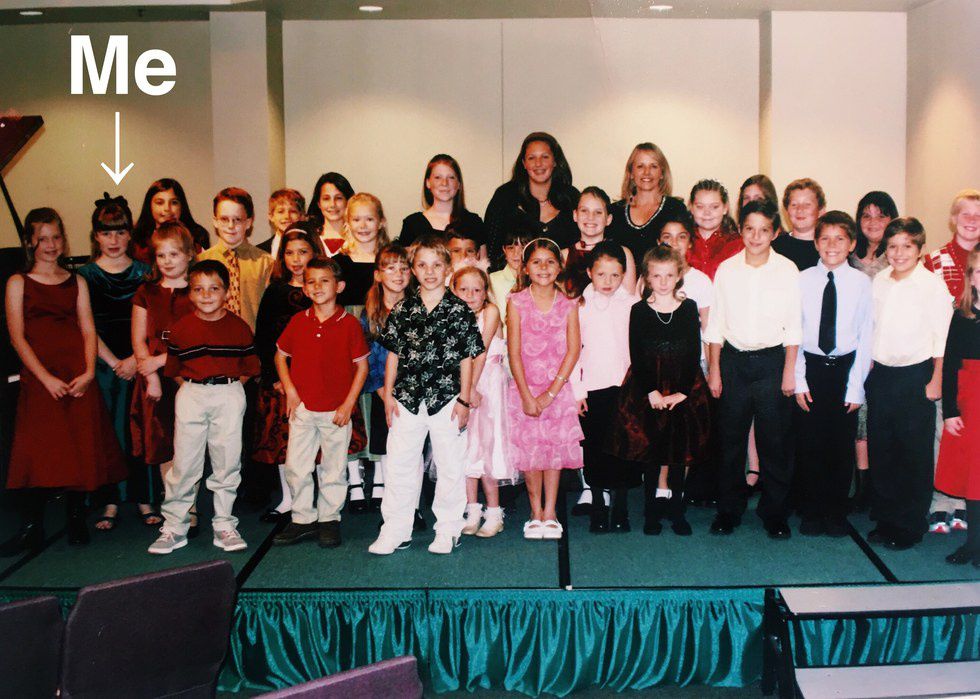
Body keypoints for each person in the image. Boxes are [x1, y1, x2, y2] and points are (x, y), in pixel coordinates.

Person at [1, 208, 125, 555]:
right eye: (43, 239)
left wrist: (88, 373)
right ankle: (32, 527)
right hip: (42, 377)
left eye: (56, 237)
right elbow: (17, 338)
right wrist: (45, 379)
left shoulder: (76, 281)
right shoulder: (18, 282)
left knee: (78, 448)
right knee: (37, 451)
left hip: (77, 375)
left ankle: (75, 518)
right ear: (30, 242)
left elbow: (88, 329)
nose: (51, 245)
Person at [368, 235, 484, 555]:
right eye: (422, 265)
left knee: (449, 465)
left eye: (436, 265)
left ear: (447, 269)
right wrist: (388, 396)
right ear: (414, 270)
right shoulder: (403, 309)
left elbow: (467, 358)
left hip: (447, 398)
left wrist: (464, 400)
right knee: (400, 464)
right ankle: (396, 529)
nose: (430, 272)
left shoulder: (459, 310)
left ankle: (448, 528)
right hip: (406, 397)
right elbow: (392, 354)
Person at [148, 260, 261, 554]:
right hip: (192, 394)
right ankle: (175, 526)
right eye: (198, 289)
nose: (206, 295)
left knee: (227, 461)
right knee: (184, 463)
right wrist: (193, 388)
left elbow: (250, 367)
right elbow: (174, 369)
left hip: (229, 393)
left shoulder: (239, 327)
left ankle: (224, 524)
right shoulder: (181, 329)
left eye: (214, 289)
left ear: (227, 292)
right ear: (190, 293)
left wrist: (230, 388)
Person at [705, 199, 802, 539]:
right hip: (733, 362)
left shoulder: (787, 270)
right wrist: (714, 370)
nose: (756, 236)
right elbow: (715, 324)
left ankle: (775, 512)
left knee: (774, 441)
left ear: (774, 233)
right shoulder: (727, 270)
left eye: (764, 230)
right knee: (730, 440)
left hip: (772, 362)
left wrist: (789, 371)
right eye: (749, 229)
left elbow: (794, 325)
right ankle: (728, 509)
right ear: (741, 230)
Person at [609, 245, 711, 535]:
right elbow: (637, 355)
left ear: (678, 276)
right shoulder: (640, 311)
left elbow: (693, 353)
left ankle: (678, 510)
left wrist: (683, 392)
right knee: (652, 453)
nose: (663, 281)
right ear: (647, 277)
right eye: (657, 275)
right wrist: (651, 391)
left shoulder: (688, 308)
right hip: (648, 388)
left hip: (682, 388)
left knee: (679, 453)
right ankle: (651, 511)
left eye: (669, 275)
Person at [867, 218, 954, 550]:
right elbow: (873, 327)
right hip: (882, 375)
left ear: (919, 249)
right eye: (892, 246)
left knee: (913, 453)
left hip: (916, 376)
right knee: (883, 449)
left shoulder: (931, 285)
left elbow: (942, 338)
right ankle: (886, 517)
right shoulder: (879, 281)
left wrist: (936, 379)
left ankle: (910, 523)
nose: (899, 253)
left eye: (907, 246)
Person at [271, 257, 370, 548]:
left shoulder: (349, 324)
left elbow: (362, 367)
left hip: (336, 411)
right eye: (311, 282)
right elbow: (280, 357)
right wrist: (291, 392)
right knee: (296, 466)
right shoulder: (298, 321)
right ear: (304, 288)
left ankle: (329, 519)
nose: (317, 286)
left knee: (333, 468)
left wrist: (348, 404)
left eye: (324, 281)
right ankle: (302, 519)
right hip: (303, 409)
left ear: (339, 286)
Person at [794, 211, 873, 537]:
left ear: (852, 244)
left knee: (840, 446)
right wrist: (798, 379)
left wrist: (856, 388)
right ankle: (812, 510)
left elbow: (866, 335)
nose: (832, 245)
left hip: (845, 370)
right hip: (811, 368)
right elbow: (795, 333)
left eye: (840, 239)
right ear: (815, 242)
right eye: (825, 238)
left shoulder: (861, 283)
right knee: (810, 443)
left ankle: (836, 511)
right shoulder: (802, 280)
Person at [77, 194, 152, 530]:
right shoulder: (85, 275)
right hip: (104, 362)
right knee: (109, 432)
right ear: (96, 236)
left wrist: (136, 359)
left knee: (141, 431)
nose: (114, 240)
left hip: (139, 359)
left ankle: (145, 497)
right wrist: (113, 361)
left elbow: (153, 321)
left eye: (120, 232)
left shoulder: (145, 272)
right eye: (106, 233)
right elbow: (86, 325)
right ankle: (110, 501)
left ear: (130, 234)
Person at [507, 238, 584, 540]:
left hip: (557, 390)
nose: (543, 267)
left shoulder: (568, 304)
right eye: (536, 262)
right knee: (531, 453)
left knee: (553, 453)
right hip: (524, 389)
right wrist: (527, 396)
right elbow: (514, 353)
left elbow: (573, 350)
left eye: (550, 261)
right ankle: (534, 511)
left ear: (559, 267)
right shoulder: (516, 302)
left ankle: (550, 512)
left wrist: (550, 394)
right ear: (525, 268)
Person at [129, 221, 197, 533]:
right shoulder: (146, 292)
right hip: (155, 381)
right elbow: (138, 339)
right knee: (163, 444)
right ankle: (174, 507)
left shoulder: (197, 291)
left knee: (188, 445)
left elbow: (200, 341)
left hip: (187, 376)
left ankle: (191, 508)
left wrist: (161, 361)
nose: (167, 261)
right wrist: (152, 376)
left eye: (174, 254)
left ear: (189, 254)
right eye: (161, 255)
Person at [570, 241, 638, 533]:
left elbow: (638, 350)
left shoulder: (632, 305)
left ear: (624, 274)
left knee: (624, 450)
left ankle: (621, 508)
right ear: (589, 273)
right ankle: (598, 506)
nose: (608, 281)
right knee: (595, 449)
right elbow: (573, 352)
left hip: (625, 388)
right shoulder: (580, 306)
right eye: (601, 274)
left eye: (615, 275)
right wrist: (578, 392)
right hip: (593, 388)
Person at [252, 228, 320, 522]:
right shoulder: (275, 292)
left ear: (314, 253)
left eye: (303, 252)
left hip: (317, 381)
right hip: (282, 381)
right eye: (290, 253)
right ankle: (288, 498)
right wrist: (275, 378)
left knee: (317, 443)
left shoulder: (321, 290)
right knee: (284, 442)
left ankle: (317, 498)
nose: (296, 259)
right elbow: (264, 338)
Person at [924, 189, 980, 534]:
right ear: (953, 219)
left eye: (978, 215)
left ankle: (967, 501)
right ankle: (942, 499)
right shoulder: (934, 261)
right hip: (945, 362)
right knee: (945, 432)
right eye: (965, 214)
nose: (972, 220)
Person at [335, 193, 390, 509]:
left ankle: (380, 475)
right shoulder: (340, 262)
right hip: (349, 334)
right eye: (356, 219)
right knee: (352, 404)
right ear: (347, 223)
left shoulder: (387, 259)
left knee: (378, 406)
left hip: (379, 331)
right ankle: (354, 477)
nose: (363, 225)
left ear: (380, 222)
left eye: (369, 218)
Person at [658, 211, 716, 505]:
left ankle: (682, 485)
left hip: (693, 364)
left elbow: (708, 328)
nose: (674, 243)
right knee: (661, 426)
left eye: (681, 237)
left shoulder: (700, 281)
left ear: (689, 243)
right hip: (660, 364)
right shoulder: (650, 278)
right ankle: (661, 483)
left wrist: (711, 368)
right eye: (667, 237)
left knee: (689, 427)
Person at [453, 266, 514, 538]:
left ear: (485, 291)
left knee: (489, 448)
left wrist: (470, 390)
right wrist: (463, 391)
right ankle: (472, 509)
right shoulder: (452, 315)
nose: (470, 295)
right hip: (464, 386)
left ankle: (494, 511)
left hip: (487, 385)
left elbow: (480, 351)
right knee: (467, 450)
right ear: (454, 291)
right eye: (464, 290)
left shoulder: (490, 312)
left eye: (477, 290)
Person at [848, 190, 898, 512]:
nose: (873, 221)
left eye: (881, 215)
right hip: (852, 350)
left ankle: (883, 488)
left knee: (880, 421)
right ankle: (863, 486)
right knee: (858, 420)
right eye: (866, 215)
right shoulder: (849, 257)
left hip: (885, 351)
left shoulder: (895, 259)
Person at [935, 246, 980, 566]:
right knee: (973, 478)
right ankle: (973, 544)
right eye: (979, 271)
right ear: (971, 277)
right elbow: (950, 366)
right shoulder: (962, 317)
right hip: (970, 404)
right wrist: (950, 411)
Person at [359, 244, 413, 512]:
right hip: (383, 390)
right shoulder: (370, 313)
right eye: (391, 268)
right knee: (387, 446)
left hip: (414, 390)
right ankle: (391, 505)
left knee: (412, 450)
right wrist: (383, 391)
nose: (398, 274)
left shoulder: (417, 307)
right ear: (378, 275)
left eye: (404, 268)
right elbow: (367, 356)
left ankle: (412, 505)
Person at [484, 132, 579, 269]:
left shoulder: (571, 198)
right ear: (524, 163)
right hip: (512, 280)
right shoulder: (505, 196)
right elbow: (491, 249)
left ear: (555, 161)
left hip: (562, 280)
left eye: (545, 157)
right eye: (531, 158)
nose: (538, 163)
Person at [607, 142, 688, 267]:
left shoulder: (675, 209)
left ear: (662, 173)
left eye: (653, 166)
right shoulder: (615, 211)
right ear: (631, 173)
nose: (647, 172)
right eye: (640, 166)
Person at [399, 154, 487, 259]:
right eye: (438, 177)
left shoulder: (474, 222)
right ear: (428, 183)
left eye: (451, 177)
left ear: (459, 184)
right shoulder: (412, 224)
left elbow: (483, 265)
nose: (444, 183)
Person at [561, 187, 636, 298]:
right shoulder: (563, 256)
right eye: (584, 211)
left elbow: (630, 299)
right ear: (575, 215)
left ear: (608, 219)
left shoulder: (623, 253)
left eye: (598, 212)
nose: (591, 217)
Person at [132, 178, 211, 263]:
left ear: (182, 206)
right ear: (149, 206)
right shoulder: (136, 239)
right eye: (160, 203)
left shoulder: (197, 237)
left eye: (174, 202)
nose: (167, 208)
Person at [686, 179, 743, 281]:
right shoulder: (682, 242)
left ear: (725, 208)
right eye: (700, 207)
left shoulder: (738, 244)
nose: (707, 213)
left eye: (714, 207)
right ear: (691, 208)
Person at [773, 178, 825, 271]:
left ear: (821, 211)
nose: (800, 209)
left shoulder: (828, 248)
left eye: (807, 204)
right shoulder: (774, 246)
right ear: (786, 210)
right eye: (794, 204)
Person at [305, 172, 355, 257]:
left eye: (338, 198)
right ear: (318, 203)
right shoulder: (309, 237)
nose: (332, 204)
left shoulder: (359, 236)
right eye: (326, 198)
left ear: (348, 201)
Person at [489, 229, 529, 328]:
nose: (516, 253)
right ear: (504, 250)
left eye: (522, 248)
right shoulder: (492, 280)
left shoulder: (536, 281)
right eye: (511, 248)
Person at [258, 188, 305, 257]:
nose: (287, 216)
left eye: (293, 211)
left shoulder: (312, 249)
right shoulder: (259, 251)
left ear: (301, 216)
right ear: (271, 216)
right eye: (280, 211)